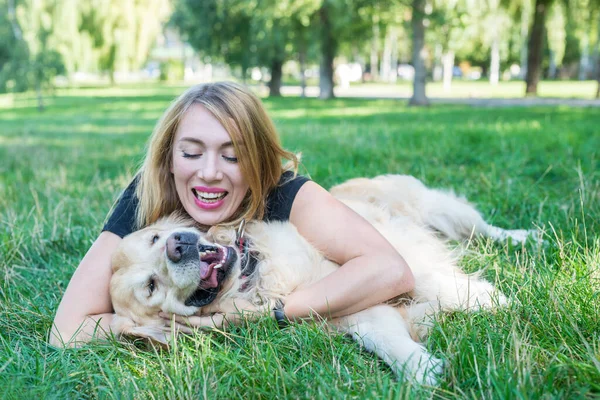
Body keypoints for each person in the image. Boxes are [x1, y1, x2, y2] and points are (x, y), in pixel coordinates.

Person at [49, 81, 414, 347]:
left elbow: (390, 270)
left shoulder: (285, 194)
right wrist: (138, 322)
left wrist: (270, 312)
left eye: (232, 155)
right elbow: (64, 332)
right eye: (191, 153)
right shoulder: (148, 193)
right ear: (169, 160)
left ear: (257, 159)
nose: (209, 172)